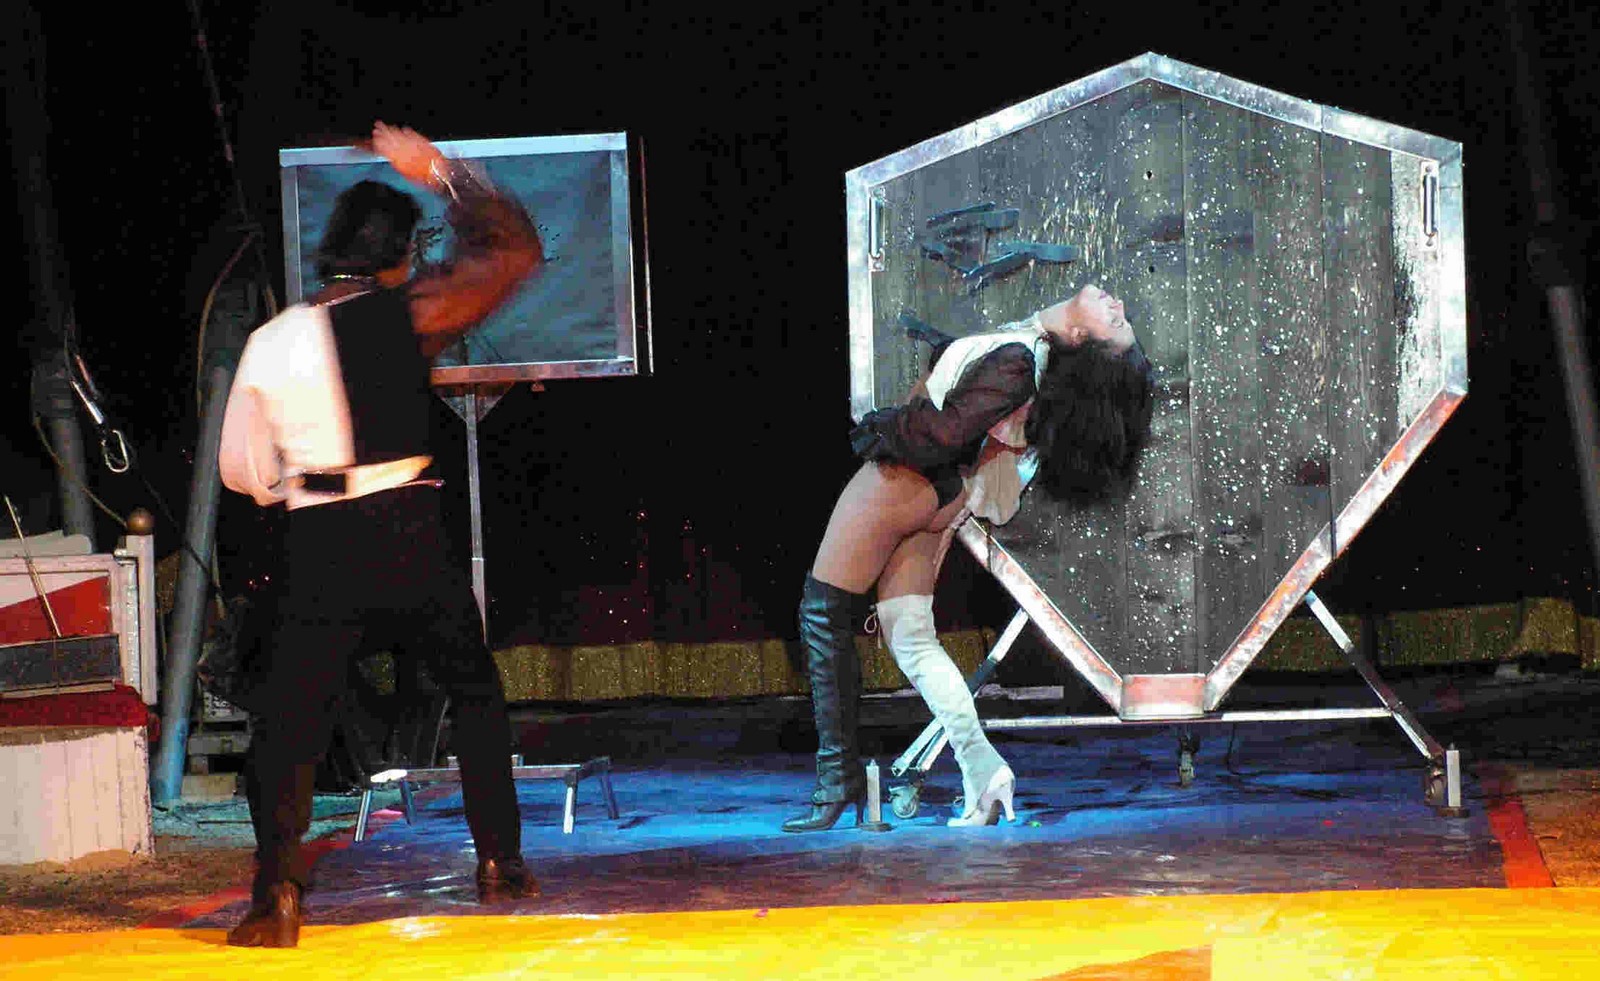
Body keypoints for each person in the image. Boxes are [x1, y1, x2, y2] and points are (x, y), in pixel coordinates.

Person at [218, 121, 544, 946]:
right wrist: (438, 169)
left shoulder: (270, 340)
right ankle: (499, 859)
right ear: (399, 261)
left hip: (318, 537)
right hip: (408, 530)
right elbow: (514, 253)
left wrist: (295, 483)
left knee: (290, 720)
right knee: (473, 689)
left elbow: (242, 470)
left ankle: (277, 894)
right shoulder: (412, 311)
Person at [784, 286, 1155, 832]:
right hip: (934, 492)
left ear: (1080, 337)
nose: (1117, 305)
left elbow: (944, 434)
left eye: (1115, 322)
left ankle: (836, 780)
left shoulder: (1019, 361)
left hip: (905, 480)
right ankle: (984, 772)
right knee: (910, 638)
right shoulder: (1027, 348)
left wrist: (882, 425)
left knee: (822, 614)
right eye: (1119, 316)